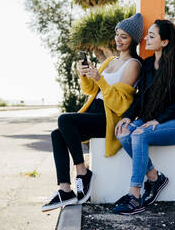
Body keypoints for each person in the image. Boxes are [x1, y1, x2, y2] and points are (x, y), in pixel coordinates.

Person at [41, 13, 144, 212]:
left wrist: (100, 79)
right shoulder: (111, 60)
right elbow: (91, 91)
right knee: (57, 134)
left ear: (133, 40)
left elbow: (120, 104)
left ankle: (82, 172)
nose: (118, 39)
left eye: (124, 36)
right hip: (95, 112)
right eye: (117, 34)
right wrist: (85, 75)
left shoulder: (133, 65)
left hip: (109, 118)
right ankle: (65, 190)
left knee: (64, 119)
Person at [113, 19, 175, 215]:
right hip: (155, 117)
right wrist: (128, 116)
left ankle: (135, 195)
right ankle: (154, 178)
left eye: (152, 36)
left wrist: (158, 120)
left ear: (165, 42)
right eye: (147, 34)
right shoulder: (148, 64)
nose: (146, 38)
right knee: (124, 133)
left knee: (139, 135)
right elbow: (140, 97)